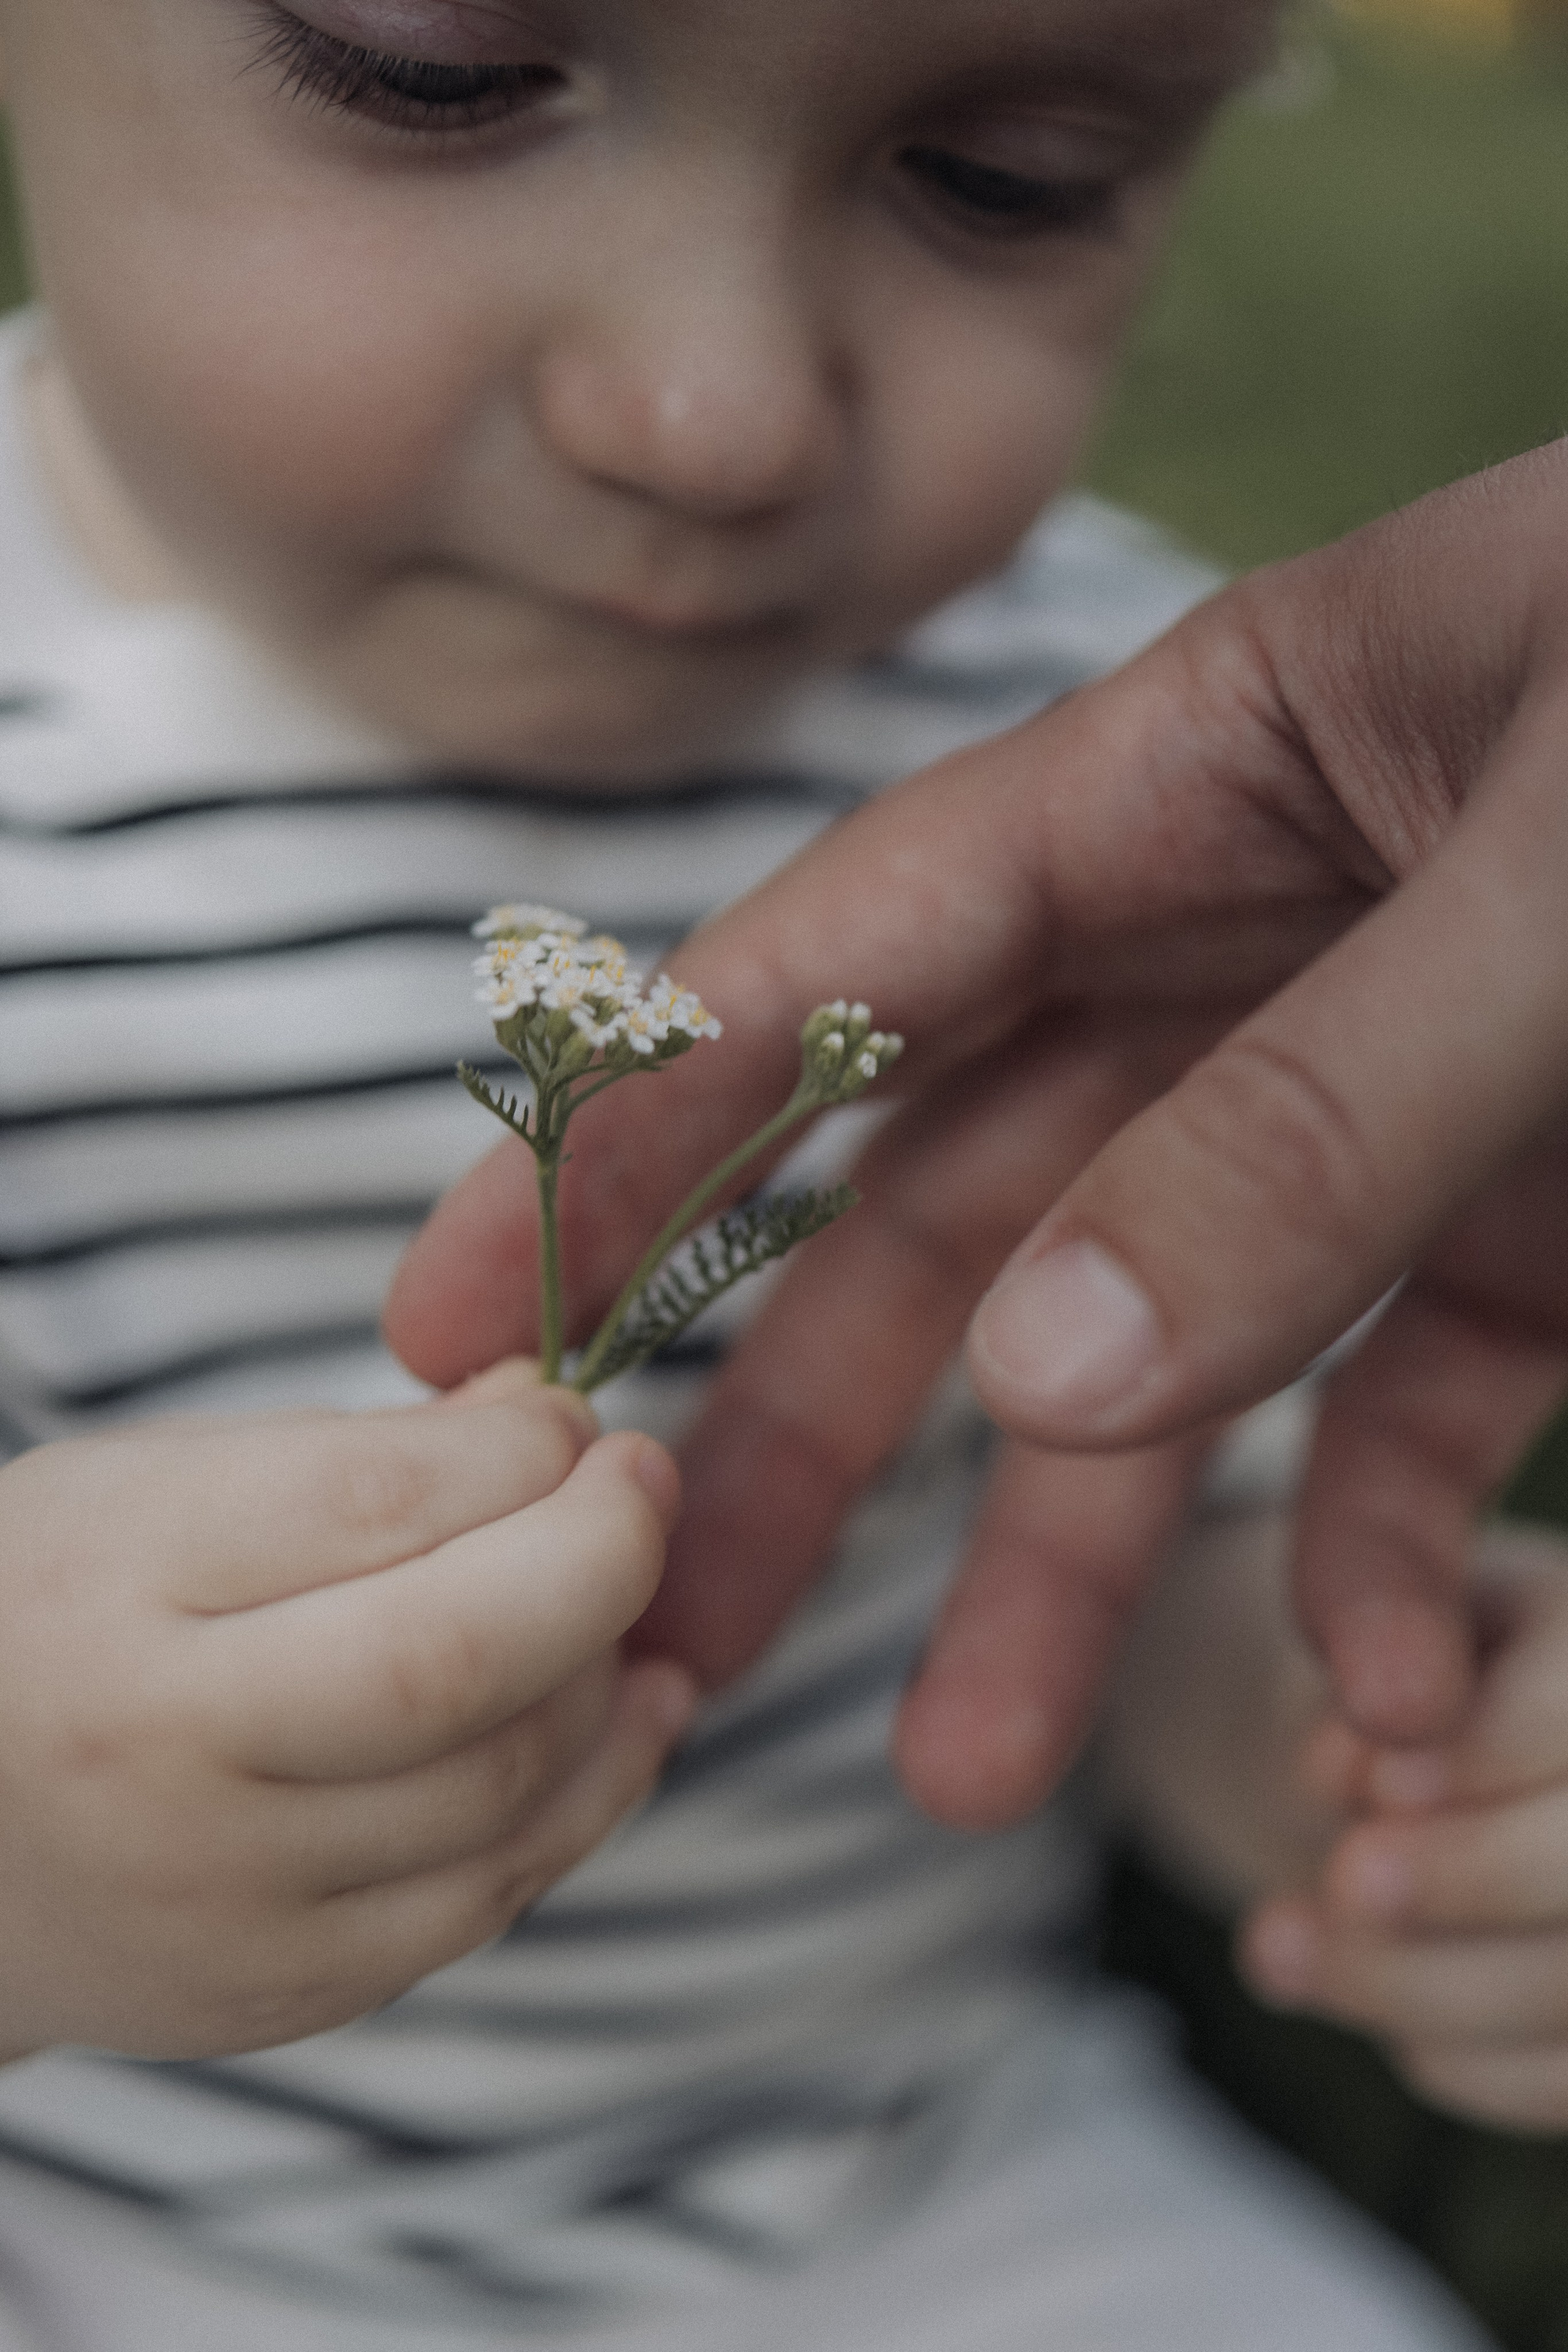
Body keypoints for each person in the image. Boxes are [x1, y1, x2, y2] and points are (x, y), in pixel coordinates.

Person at [0, 0, 1517, 2345]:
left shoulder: (1150, 767)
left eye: (1005, 177)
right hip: (109, 2229)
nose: (715, 416)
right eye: (433, 74)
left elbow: (1143, 1538)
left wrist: (1391, 1778)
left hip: (911, 2179)